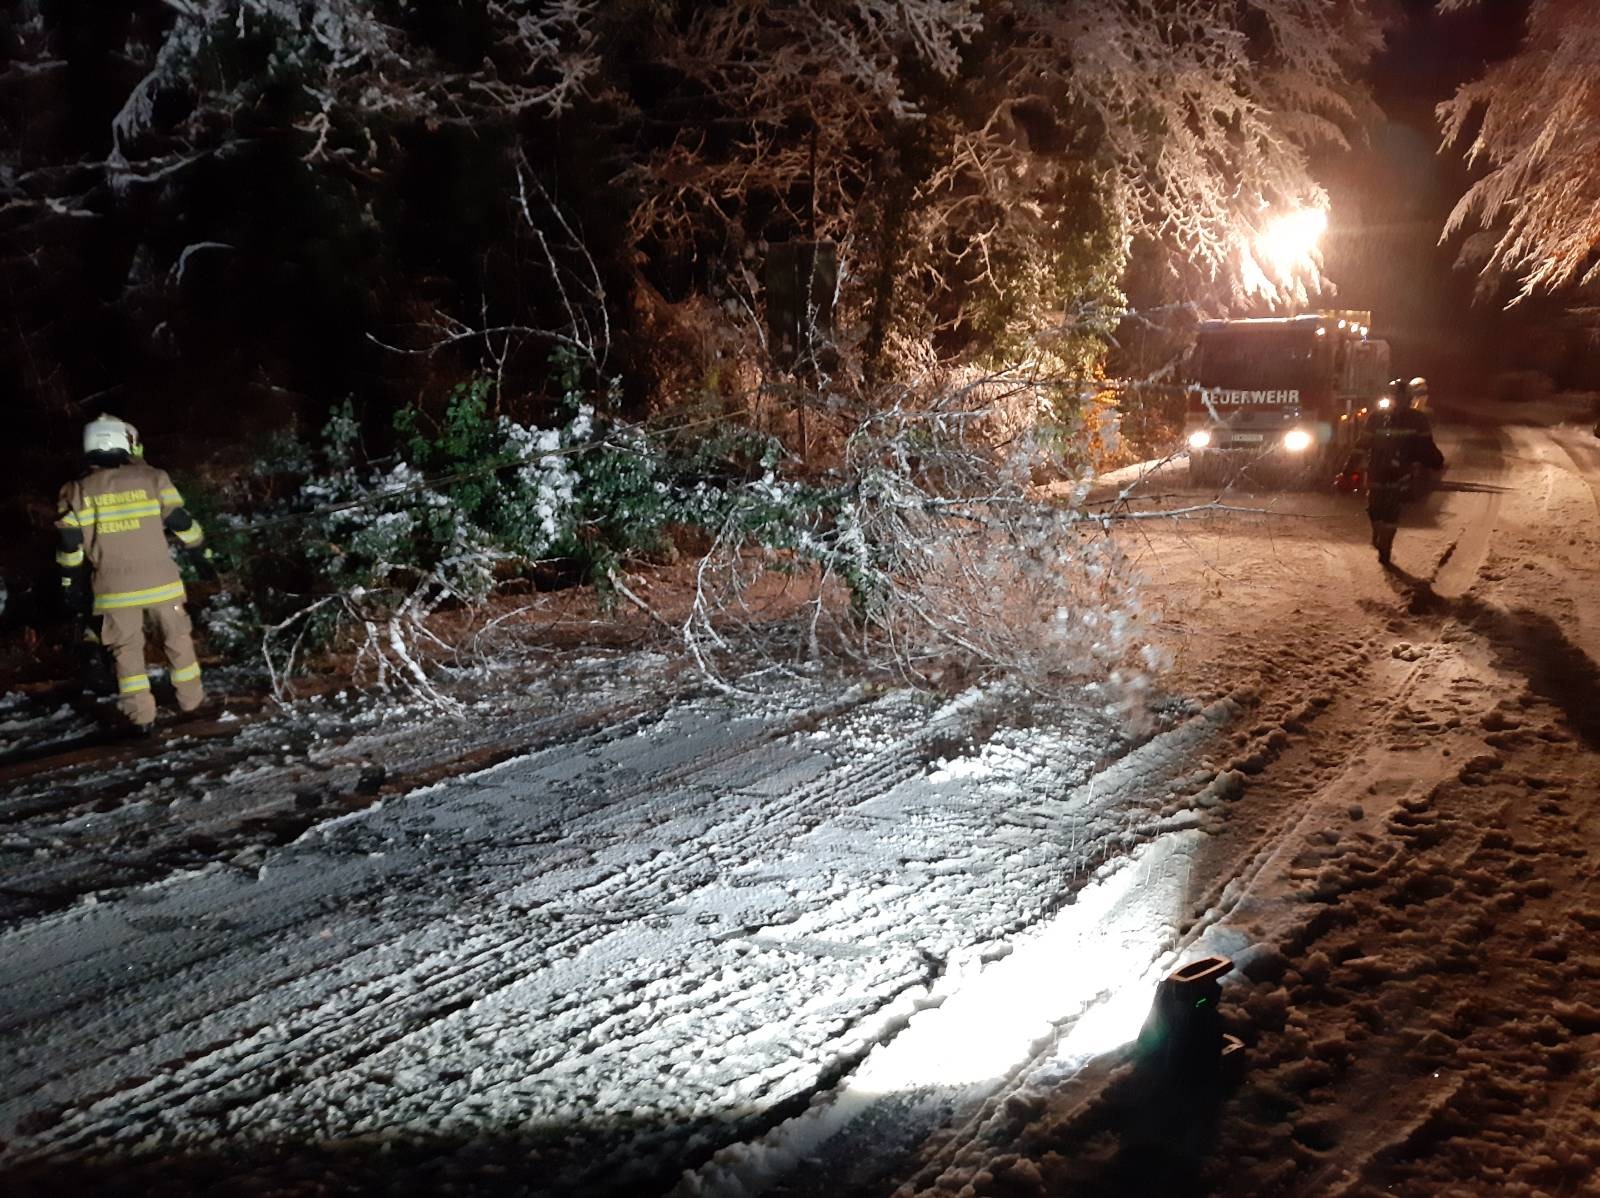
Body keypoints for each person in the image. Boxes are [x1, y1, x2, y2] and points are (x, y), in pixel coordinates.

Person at [55, 415, 209, 734]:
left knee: (126, 652)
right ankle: (192, 704)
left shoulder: (76, 490)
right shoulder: (154, 478)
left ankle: (141, 718)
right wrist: (200, 552)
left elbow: (70, 545)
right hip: (162, 583)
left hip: (114, 590)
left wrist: (70, 583)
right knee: (178, 639)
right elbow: (180, 522)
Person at [1364, 380, 1444, 567]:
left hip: (1399, 472)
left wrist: (1435, 460)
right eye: (1395, 397)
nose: (1398, 401)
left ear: (1408, 399)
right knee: (1375, 508)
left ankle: (1385, 547)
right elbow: (1362, 444)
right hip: (1377, 470)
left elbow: (1426, 445)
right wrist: (1348, 469)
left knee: (1391, 510)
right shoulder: (1376, 418)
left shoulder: (1417, 419)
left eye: (1401, 398)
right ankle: (1379, 534)